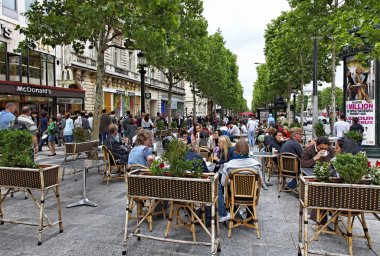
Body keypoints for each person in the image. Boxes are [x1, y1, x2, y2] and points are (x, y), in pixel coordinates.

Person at [218, 139, 262, 223]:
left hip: (235, 195)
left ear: (236, 150)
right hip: (251, 196)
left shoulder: (229, 165)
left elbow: (223, 183)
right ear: (248, 150)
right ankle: (250, 216)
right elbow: (260, 182)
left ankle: (234, 214)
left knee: (230, 188)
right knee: (252, 188)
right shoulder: (256, 164)